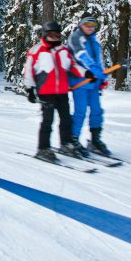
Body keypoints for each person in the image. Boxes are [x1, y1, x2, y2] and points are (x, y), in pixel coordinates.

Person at [23, 21, 92, 162]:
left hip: (62, 91)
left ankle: (65, 144)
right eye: (51, 34)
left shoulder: (64, 50)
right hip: (46, 92)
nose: (54, 37)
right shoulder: (36, 50)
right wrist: (29, 88)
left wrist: (85, 73)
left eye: (57, 34)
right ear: (45, 34)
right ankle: (43, 148)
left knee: (66, 119)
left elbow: (72, 66)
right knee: (47, 120)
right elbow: (29, 71)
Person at [68, 12, 111, 156]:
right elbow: (81, 55)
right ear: (81, 24)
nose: (90, 27)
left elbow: (98, 60)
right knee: (80, 112)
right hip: (80, 80)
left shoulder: (94, 41)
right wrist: (92, 68)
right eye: (88, 24)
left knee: (97, 111)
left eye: (93, 25)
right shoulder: (76, 37)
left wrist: (102, 76)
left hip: (93, 83)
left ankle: (95, 140)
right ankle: (73, 140)